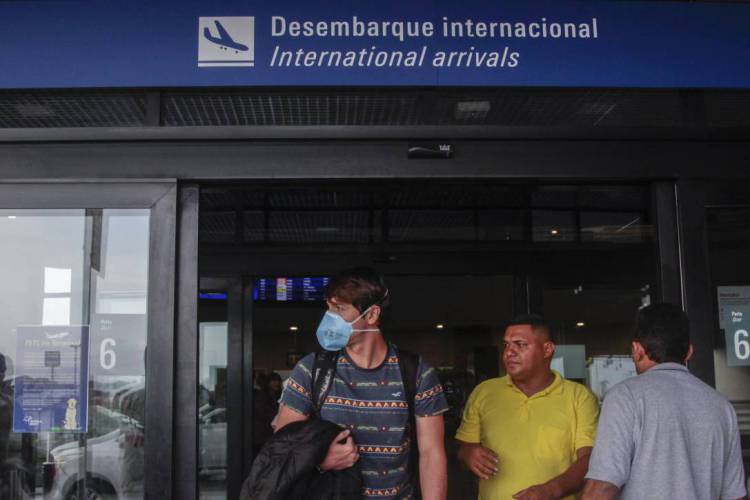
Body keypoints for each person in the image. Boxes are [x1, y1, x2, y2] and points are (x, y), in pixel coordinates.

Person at [274, 267, 449, 500]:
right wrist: (320, 461)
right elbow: (283, 446)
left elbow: (431, 454)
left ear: (372, 315)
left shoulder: (416, 372)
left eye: (340, 309)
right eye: (329, 308)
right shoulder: (312, 369)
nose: (330, 318)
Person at [582, 303, 748, 500]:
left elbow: (601, 489)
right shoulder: (722, 407)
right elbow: (735, 496)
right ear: (689, 352)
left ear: (636, 350)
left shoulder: (625, 397)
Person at [455, 314, 599, 500]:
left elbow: (589, 460)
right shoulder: (484, 392)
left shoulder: (579, 397)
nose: (509, 352)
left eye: (520, 344)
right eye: (506, 344)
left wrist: (550, 490)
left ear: (547, 349)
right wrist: (468, 454)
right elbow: (464, 450)